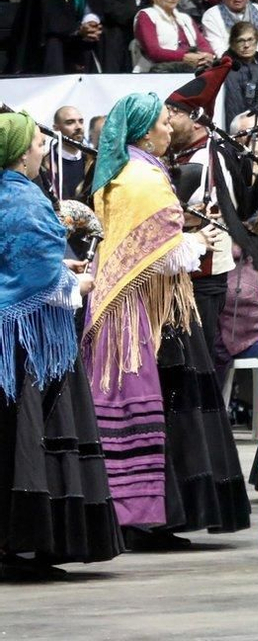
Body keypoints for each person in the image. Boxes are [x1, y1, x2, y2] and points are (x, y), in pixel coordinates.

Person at [81, 93, 250, 552]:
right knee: (159, 406)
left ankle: (150, 514)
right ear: (141, 131)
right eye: (160, 122)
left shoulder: (120, 171)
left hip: (132, 305)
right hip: (146, 311)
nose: (168, 128)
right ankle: (148, 518)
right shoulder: (142, 178)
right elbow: (163, 253)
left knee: (150, 406)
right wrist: (196, 239)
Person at [0, 110, 123, 580]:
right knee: (30, 437)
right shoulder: (24, 200)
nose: (41, 150)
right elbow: (34, 277)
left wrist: (60, 273)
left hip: (11, 334)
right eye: (35, 143)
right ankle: (27, 546)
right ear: (18, 152)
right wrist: (78, 285)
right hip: (28, 342)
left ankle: (16, 543)